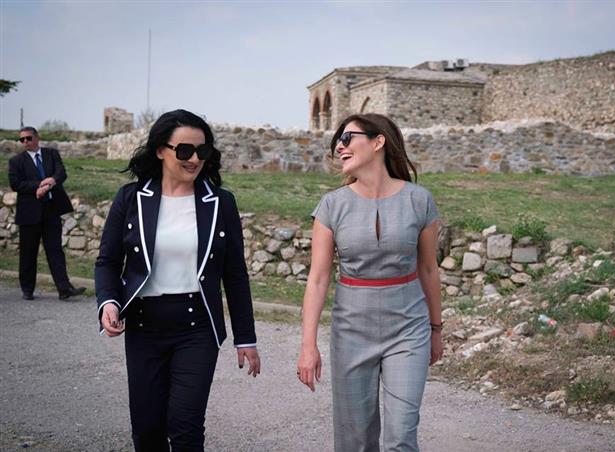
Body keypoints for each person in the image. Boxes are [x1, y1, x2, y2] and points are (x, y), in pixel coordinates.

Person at [95, 109, 260, 451]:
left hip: (197, 328)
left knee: (185, 426)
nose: (195, 159)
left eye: (202, 151)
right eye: (184, 150)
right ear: (160, 150)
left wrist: (245, 337)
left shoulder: (220, 203)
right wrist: (108, 302)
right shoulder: (131, 198)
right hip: (143, 328)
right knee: (147, 429)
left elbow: (235, 274)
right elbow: (108, 262)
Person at [296, 113, 444, 451]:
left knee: (401, 437)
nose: (340, 146)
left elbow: (428, 269)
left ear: (378, 142)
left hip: (408, 329)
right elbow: (318, 279)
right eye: (338, 141)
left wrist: (436, 330)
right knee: (355, 441)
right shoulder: (331, 206)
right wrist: (308, 346)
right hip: (351, 331)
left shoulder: (419, 200)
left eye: (348, 138)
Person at [8, 126, 86, 301]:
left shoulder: (51, 154)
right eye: (22, 140)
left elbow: (61, 173)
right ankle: (27, 289)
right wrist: (39, 186)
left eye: (28, 138)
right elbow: (15, 184)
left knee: (55, 251)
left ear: (37, 138)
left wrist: (52, 181)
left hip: (51, 210)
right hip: (29, 213)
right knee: (28, 253)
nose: (25, 142)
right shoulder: (16, 161)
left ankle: (64, 289)